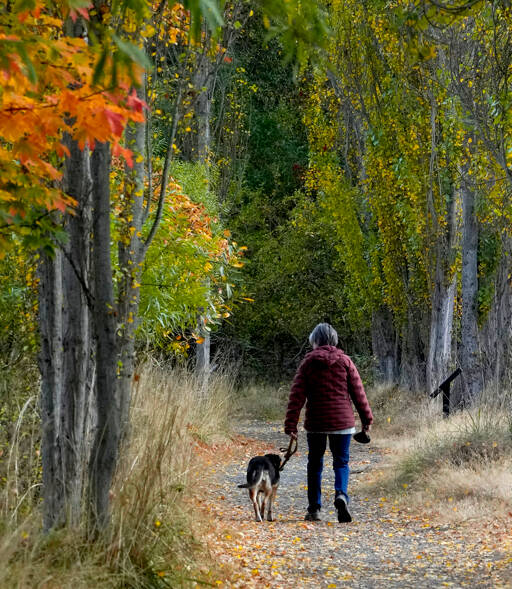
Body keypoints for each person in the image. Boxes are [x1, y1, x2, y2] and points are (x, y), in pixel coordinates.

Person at [284, 323, 373, 523]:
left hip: (316, 423)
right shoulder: (346, 362)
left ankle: (314, 509)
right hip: (343, 424)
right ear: (334, 340)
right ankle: (341, 495)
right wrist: (367, 420)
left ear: (315, 341)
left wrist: (291, 425)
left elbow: (296, 396)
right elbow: (359, 394)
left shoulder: (308, 363)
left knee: (315, 464)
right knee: (341, 462)